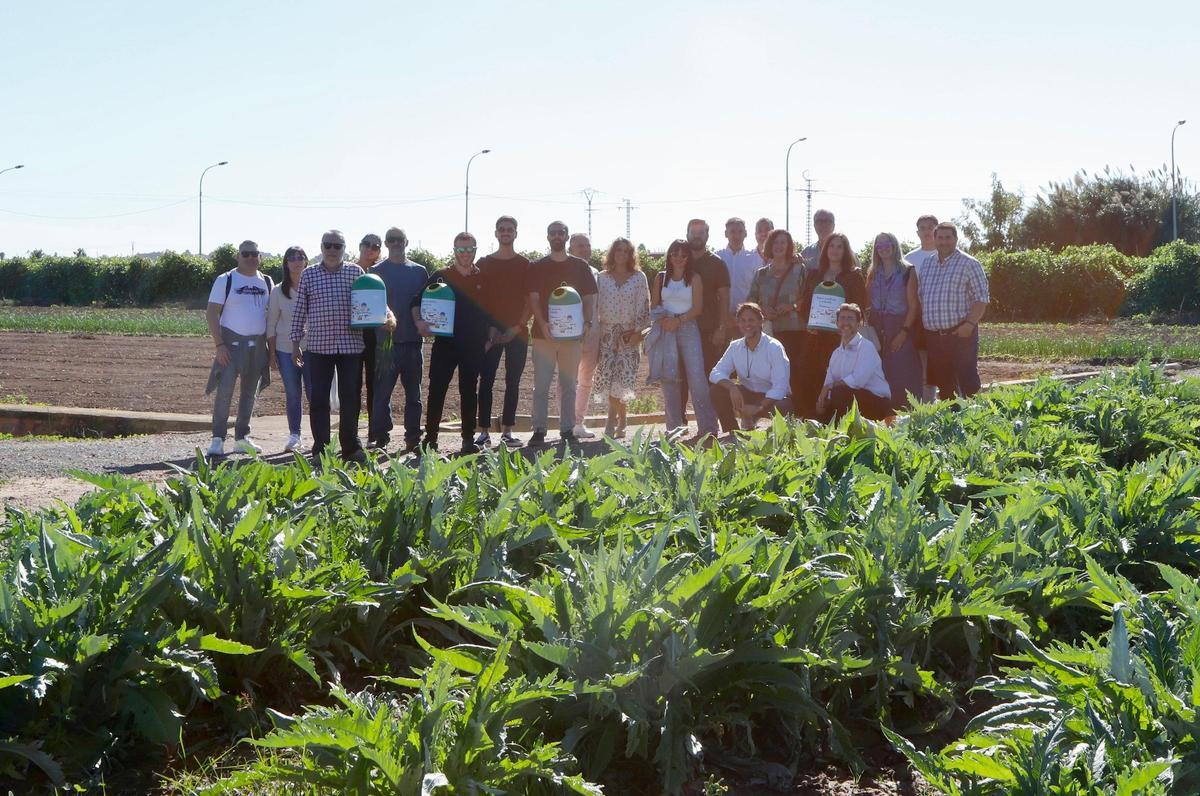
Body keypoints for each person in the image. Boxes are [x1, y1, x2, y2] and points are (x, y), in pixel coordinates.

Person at [291, 229, 394, 464]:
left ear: (344, 249)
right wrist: (295, 343)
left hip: (351, 347)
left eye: (337, 246)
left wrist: (388, 316)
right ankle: (321, 450)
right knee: (319, 400)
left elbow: (374, 299)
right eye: (328, 245)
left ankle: (350, 448)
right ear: (321, 247)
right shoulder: (309, 275)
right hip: (319, 347)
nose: (332, 250)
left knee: (351, 399)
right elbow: (299, 310)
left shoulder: (355, 272)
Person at [413, 232, 493, 455]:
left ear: (475, 250)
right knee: (437, 391)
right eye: (460, 249)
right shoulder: (441, 276)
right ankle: (430, 439)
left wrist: (490, 339)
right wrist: (419, 322)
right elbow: (416, 301)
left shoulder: (483, 279)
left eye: (469, 249)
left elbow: (492, 313)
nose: (464, 254)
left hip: (473, 345)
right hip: (445, 345)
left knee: (469, 392)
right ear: (454, 250)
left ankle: (468, 440)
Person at [527, 220, 598, 446]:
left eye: (561, 232)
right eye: (553, 233)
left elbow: (588, 298)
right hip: (543, 336)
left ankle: (567, 429)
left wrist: (587, 322)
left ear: (566, 237)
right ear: (548, 237)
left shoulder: (580, 266)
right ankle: (539, 430)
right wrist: (542, 323)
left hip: (572, 337)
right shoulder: (537, 266)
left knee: (569, 384)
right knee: (541, 386)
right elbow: (534, 298)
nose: (557, 236)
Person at [204, 240, 273, 457]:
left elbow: (272, 315)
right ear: (238, 256)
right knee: (224, 392)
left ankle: (242, 438)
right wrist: (219, 345)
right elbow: (211, 313)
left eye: (255, 253)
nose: (251, 257)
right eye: (246, 254)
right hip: (230, 345)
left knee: (249, 394)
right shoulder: (225, 279)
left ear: (260, 256)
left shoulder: (267, 281)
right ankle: (218, 439)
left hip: (257, 345)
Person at [645, 239, 719, 439]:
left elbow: (697, 308)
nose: (679, 258)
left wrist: (678, 320)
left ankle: (708, 428)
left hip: (688, 326)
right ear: (669, 256)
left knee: (697, 377)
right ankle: (673, 429)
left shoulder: (694, 278)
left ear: (688, 258)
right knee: (669, 378)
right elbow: (654, 305)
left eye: (683, 255)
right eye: (675, 254)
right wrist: (665, 320)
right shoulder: (661, 278)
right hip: (665, 327)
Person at [367, 227, 427, 453]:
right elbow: (369, 306)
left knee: (414, 395)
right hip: (386, 344)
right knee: (382, 394)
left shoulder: (419, 271)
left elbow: (426, 303)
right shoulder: (375, 272)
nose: (395, 243)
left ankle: (413, 437)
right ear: (386, 243)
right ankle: (381, 436)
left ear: (406, 242)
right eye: (391, 240)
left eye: (399, 239)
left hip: (413, 342)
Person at [797, 232, 868, 418]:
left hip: (840, 338)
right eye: (831, 246)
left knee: (834, 378)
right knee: (807, 373)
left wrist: (847, 327)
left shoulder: (853, 277)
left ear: (846, 251)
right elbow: (805, 303)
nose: (835, 250)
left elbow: (859, 307)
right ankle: (810, 417)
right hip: (815, 336)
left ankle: (832, 418)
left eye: (840, 246)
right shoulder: (814, 275)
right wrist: (808, 322)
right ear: (825, 249)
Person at [918, 222, 989, 400]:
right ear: (935, 239)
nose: (944, 242)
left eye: (948, 237)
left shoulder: (969, 263)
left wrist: (969, 324)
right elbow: (922, 296)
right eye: (940, 238)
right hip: (935, 337)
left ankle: (977, 415)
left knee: (967, 381)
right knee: (945, 386)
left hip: (960, 334)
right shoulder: (927, 264)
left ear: (956, 239)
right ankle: (951, 418)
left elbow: (981, 298)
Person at [476, 215, 530, 449]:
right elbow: (479, 299)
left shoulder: (526, 265)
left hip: (518, 332)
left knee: (513, 381)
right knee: (486, 380)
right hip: (490, 332)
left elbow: (530, 300)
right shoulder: (484, 263)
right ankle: (483, 432)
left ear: (515, 233)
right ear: (496, 233)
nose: (506, 232)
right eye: (502, 229)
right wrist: (490, 329)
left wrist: (516, 327)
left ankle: (508, 431)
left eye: (510, 229)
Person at [590, 237, 650, 438]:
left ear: (631, 254)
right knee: (608, 379)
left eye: (626, 251)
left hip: (629, 335)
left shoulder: (639, 277)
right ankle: (622, 420)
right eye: (618, 250)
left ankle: (610, 421)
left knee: (623, 379)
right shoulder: (602, 278)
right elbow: (595, 307)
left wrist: (637, 334)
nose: (622, 254)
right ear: (612, 253)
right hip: (606, 335)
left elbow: (644, 307)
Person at [747, 228, 807, 411]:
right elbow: (751, 300)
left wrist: (791, 306)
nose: (779, 246)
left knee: (795, 373)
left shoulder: (799, 270)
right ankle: (773, 413)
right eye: (775, 242)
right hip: (769, 332)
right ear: (769, 245)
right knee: (771, 375)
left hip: (795, 331)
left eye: (783, 242)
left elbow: (808, 298)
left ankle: (797, 413)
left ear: (789, 246)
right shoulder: (761, 274)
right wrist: (762, 309)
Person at [709, 302, 791, 431]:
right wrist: (732, 387)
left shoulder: (774, 347)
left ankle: (778, 436)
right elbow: (715, 373)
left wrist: (758, 407)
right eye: (743, 320)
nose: (747, 324)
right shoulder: (735, 346)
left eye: (751, 320)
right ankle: (733, 433)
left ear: (760, 322)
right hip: (747, 394)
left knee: (784, 405)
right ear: (738, 323)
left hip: (770, 398)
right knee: (716, 391)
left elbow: (780, 387)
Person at [866, 232, 923, 409]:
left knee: (902, 371)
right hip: (877, 326)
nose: (883, 248)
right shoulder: (873, 272)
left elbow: (913, 305)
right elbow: (867, 302)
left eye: (887, 244)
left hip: (899, 325)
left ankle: (907, 411)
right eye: (879, 245)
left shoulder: (907, 270)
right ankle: (883, 412)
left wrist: (904, 332)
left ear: (894, 245)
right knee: (879, 370)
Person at [266, 245, 312, 451]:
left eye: (300, 257)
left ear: (306, 261)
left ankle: (320, 435)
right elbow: (271, 323)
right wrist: (272, 354)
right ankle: (295, 435)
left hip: (312, 348)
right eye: (291, 258)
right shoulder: (278, 291)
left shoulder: (314, 286)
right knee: (293, 393)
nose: (296, 261)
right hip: (285, 350)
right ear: (286, 263)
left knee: (314, 393)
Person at [817, 303, 892, 422]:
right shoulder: (836, 353)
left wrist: (829, 388)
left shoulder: (867, 347)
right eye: (842, 318)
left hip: (876, 402)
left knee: (839, 393)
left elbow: (857, 381)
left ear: (859, 323)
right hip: (847, 400)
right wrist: (821, 401)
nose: (846, 322)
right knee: (816, 412)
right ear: (837, 323)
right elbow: (828, 383)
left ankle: (843, 430)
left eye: (850, 319)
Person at [569, 232, 601, 440]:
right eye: (580, 245)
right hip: (569, 335)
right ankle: (567, 423)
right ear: (571, 248)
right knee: (567, 380)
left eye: (587, 245)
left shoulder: (596, 273)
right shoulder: (564, 270)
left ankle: (578, 422)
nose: (585, 249)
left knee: (586, 379)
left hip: (592, 334)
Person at [906, 214, 940, 402]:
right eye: (923, 228)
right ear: (917, 232)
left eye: (930, 227)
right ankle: (927, 404)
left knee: (947, 365)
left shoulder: (948, 255)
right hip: (918, 320)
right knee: (923, 365)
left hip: (943, 320)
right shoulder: (909, 259)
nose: (927, 231)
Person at [357, 233, 384, 430]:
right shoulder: (350, 270)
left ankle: (374, 431)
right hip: (353, 334)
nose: (370, 248)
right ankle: (351, 431)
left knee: (375, 384)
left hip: (377, 335)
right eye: (367, 244)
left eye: (375, 246)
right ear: (360, 246)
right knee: (352, 384)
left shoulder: (382, 271)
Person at [717, 217, 762, 321]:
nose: (736, 236)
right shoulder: (718, 257)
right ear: (726, 234)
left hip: (746, 320)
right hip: (721, 317)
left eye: (740, 231)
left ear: (745, 233)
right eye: (732, 231)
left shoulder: (754, 259)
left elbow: (759, 290)